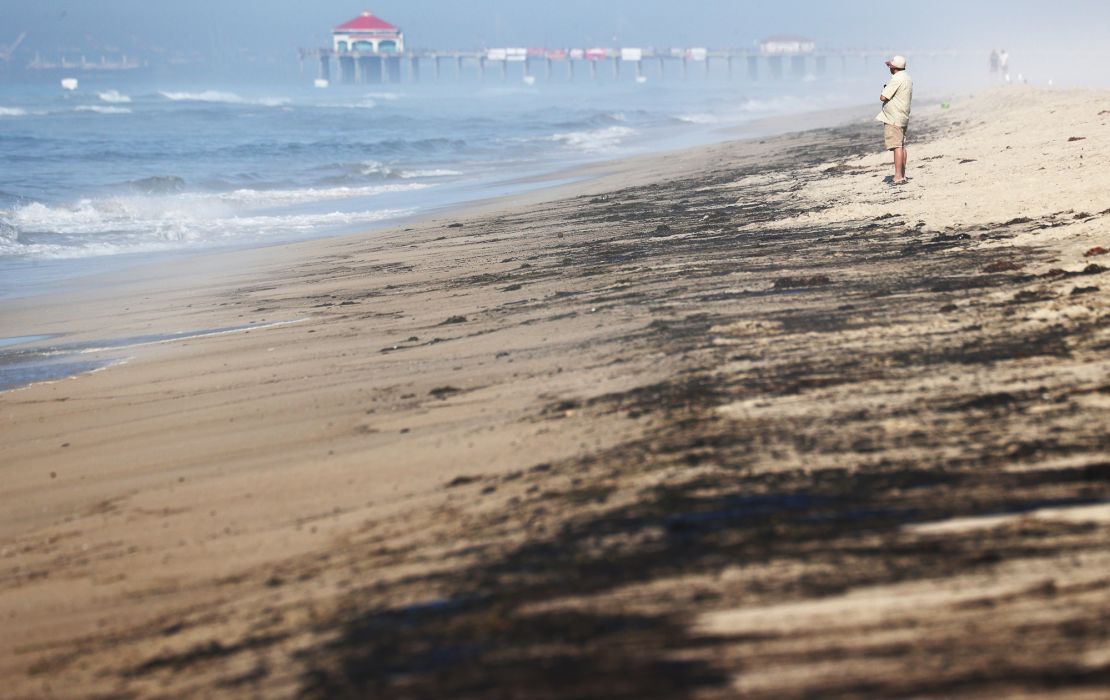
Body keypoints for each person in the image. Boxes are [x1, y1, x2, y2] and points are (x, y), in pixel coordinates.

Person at [876, 55, 913, 186]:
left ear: (894, 68)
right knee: (901, 146)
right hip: (903, 115)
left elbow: (883, 97)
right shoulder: (907, 78)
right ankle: (902, 175)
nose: (889, 68)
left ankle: (898, 177)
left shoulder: (896, 79)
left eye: (890, 66)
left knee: (896, 146)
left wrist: (884, 89)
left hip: (894, 117)